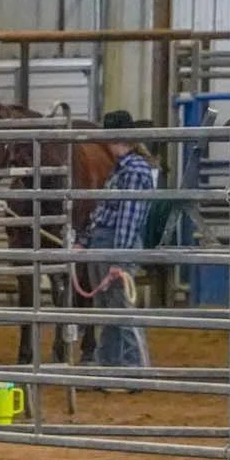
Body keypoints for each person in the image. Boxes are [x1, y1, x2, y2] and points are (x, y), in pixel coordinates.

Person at [82, 135, 157, 372]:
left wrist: (119, 258)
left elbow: (129, 219)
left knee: (120, 308)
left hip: (114, 243)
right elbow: (103, 210)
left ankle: (134, 366)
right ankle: (109, 366)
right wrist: (85, 240)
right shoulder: (120, 168)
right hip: (103, 242)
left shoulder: (133, 170)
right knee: (106, 309)